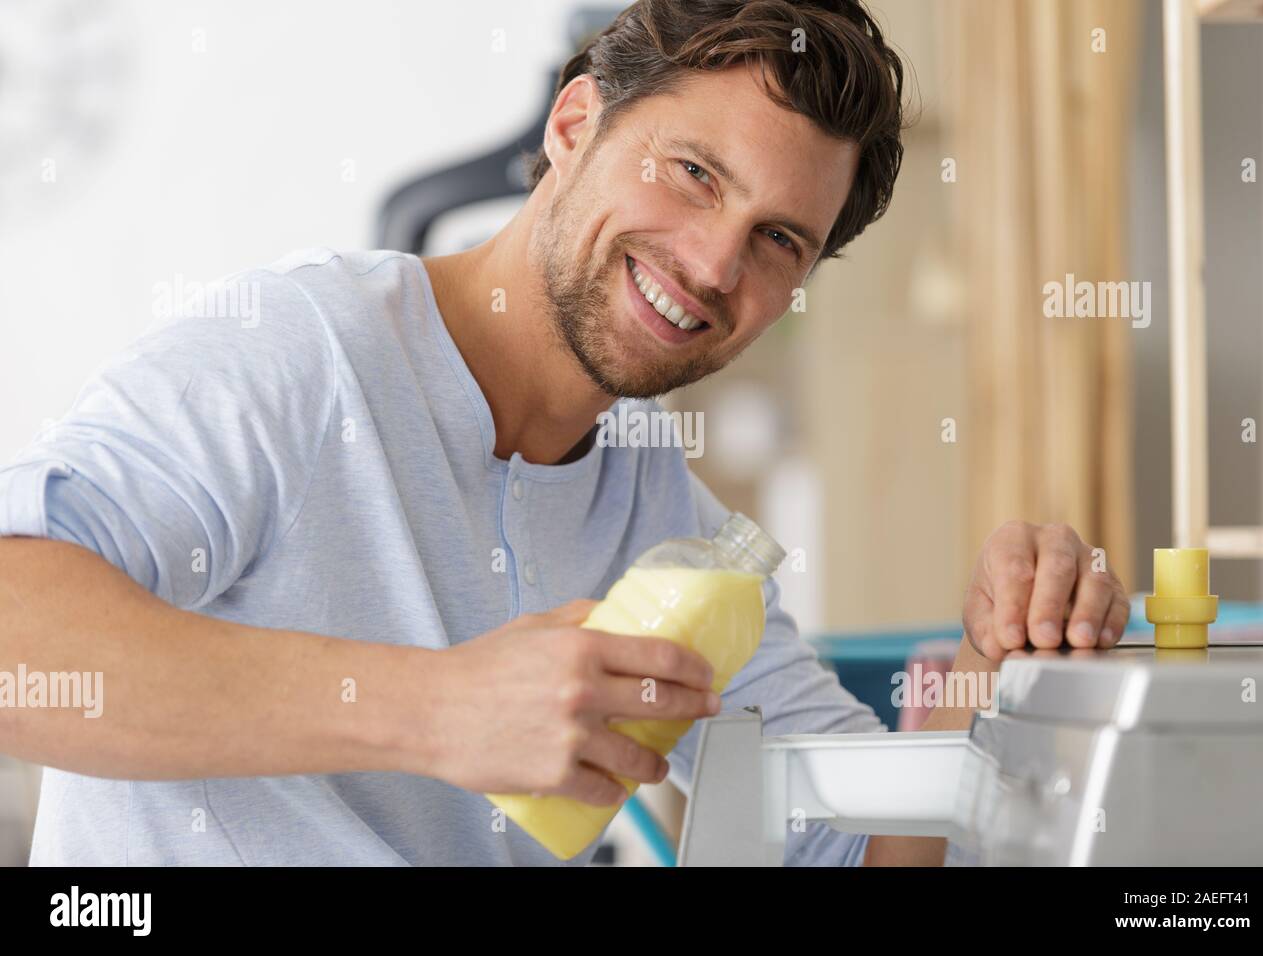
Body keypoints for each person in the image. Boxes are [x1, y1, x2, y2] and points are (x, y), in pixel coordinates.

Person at [0, 0, 1129, 866]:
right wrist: (436, 709)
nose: (712, 264)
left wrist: (999, 666)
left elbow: (854, 848)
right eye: (691, 173)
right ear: (576, 122)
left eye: (778, 238)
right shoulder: (301, 353)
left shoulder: (663, 519)